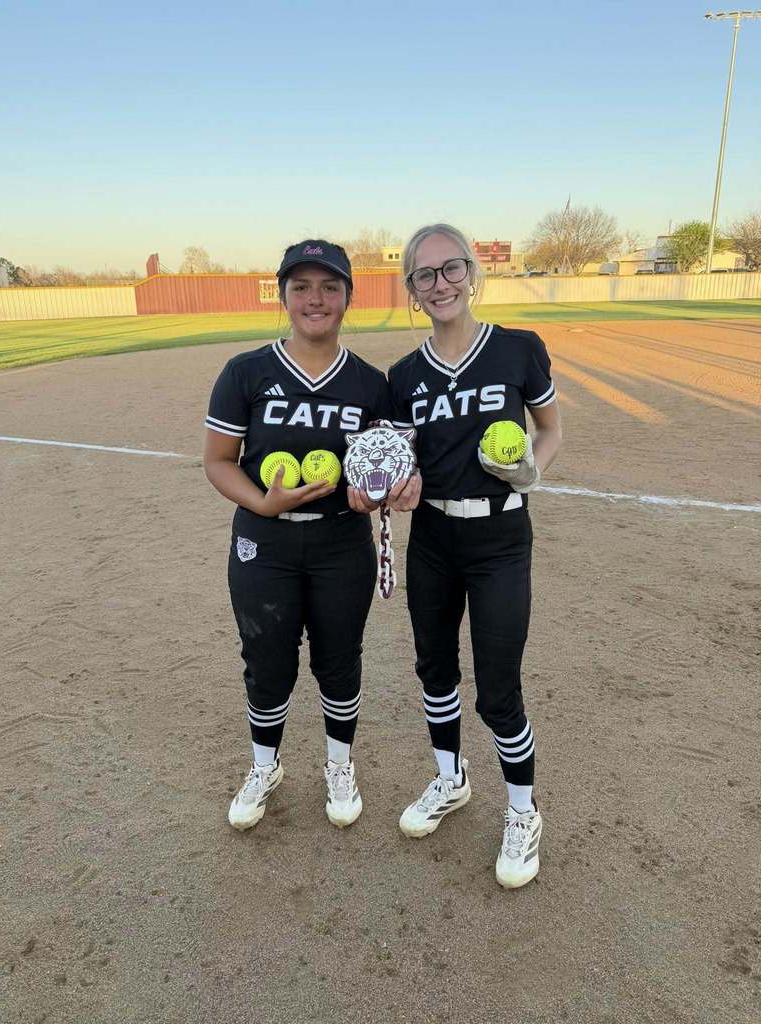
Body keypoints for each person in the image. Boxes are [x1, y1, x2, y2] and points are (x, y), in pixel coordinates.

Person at [387, 223, 562, 888]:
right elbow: (404, 457)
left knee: (498, 691)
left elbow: (549, 430)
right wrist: (398, 487)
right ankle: (450, 780)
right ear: (412, 290)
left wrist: (531, 473)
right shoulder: (404, 376)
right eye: (425, 275)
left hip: (499, 540)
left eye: (451, 267)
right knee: (434, 669)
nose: (441, 283)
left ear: (472, 273)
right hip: (433, 539)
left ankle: (523, 812)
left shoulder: (518, 350)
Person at [203, 240, 393, 831]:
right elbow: (218, 461)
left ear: (347, 298)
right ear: (283, 295)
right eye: (302, 286)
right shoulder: (247, 372)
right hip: (265, 543)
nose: (316, 299)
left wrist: (377, 489)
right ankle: (266, 766)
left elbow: (380, 464)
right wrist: (265, 501)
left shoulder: (369, 383)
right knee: (267, 658)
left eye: (330, 287)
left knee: (339, 659)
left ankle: (340, 765)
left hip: (341, 542)